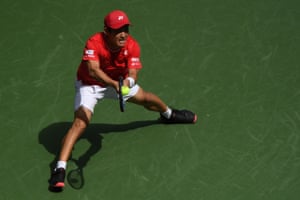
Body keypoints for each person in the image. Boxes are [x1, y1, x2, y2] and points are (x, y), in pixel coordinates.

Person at [49, 10, 197, 189]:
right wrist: (113, 84)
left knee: (146, 98)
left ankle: (169, 114)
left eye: (126, 28)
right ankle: (59, 168)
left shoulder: (132, 45)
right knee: (81, 123)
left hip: (119, 83)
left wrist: (129, 81)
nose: (123, 34)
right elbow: (93, 70)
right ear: (107, 31)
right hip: (90, 85)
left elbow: (134, 72)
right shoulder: (93, 43)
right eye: (118, 30)